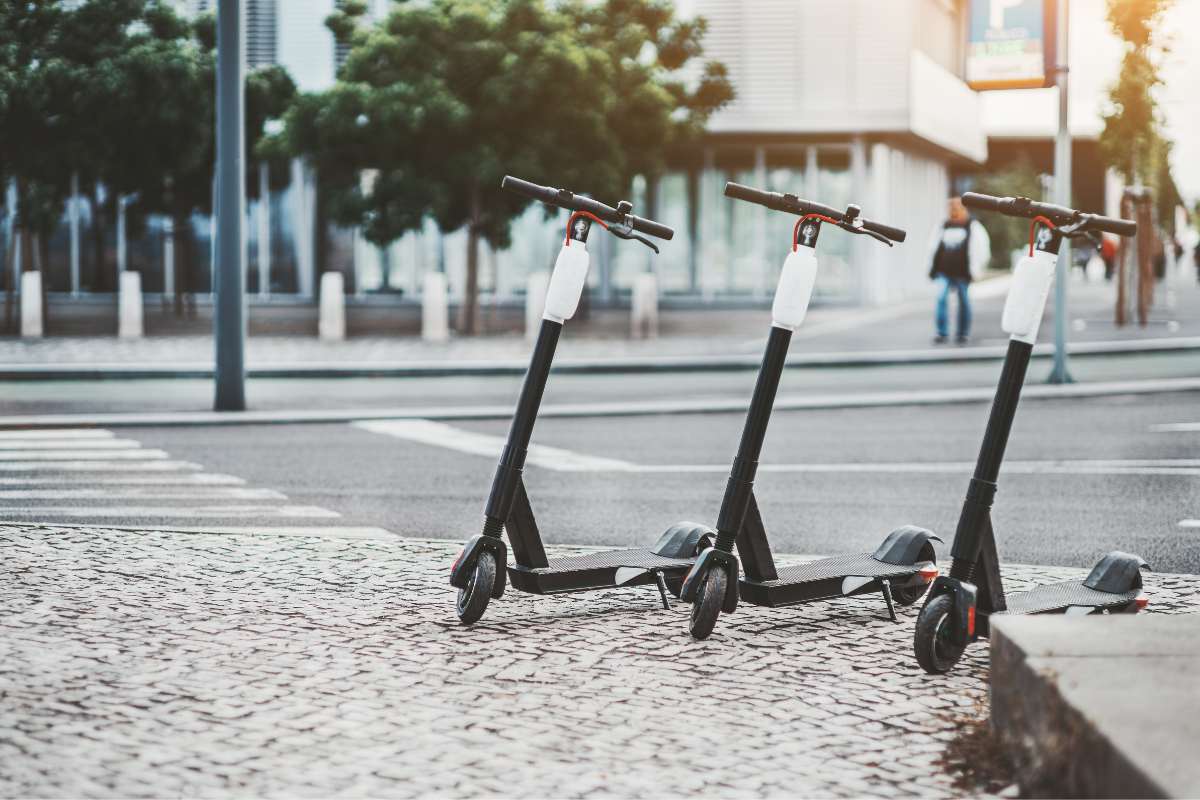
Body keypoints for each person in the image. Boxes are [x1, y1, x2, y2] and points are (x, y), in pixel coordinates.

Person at [927, 196, 991, 344]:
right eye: (951, 207)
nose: (954, 210)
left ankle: (963, 333)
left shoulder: (973, 226)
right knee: (941, 298)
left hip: (963, 272)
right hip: (944, 271)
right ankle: (941, 332)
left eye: (957, 206)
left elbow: (982, 249)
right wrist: (931, 268)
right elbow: (932, 248)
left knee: (964, 301)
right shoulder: (942, 226)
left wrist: (976, 269)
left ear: (964, 208)